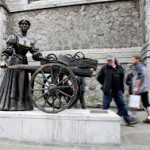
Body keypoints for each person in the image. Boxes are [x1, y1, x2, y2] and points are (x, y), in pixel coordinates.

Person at [0, 20, 43, 111]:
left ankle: (22, 105)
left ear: (28, 26)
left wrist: (39, 56)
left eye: (26, 24)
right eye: (22, 24)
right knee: (14, 83)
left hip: (24, 61)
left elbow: (34, 52)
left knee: (22, 83)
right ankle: (11, 105)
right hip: (15, 61)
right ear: (19, 26)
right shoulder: (14, 37)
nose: (24, 25)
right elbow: (8, 50)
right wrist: (3, 60)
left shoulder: (30, 40)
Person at [97, 53, 138, 126]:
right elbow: (99, 77)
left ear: (114, 59)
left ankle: (128, 120)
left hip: (118, 90)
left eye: (110, 60)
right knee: (105, 106)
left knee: (122, 105)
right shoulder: (105, 68)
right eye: (108, 60)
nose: (109, 61)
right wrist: (105, 84)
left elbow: (121, 78)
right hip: (108, 91)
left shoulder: (119, 68)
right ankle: (102, 121)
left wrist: (121, 89)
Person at [131, 55, 150, 124]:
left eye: (133, 60)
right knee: (146, 104)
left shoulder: (138, 67)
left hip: (139, 88)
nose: (131, 61)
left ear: (137, 59)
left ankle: (133, 118)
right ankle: (149, 118)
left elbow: (140, 77)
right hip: (145, 88)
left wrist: (136, 87)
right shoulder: (144, 67)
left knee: (133, 103)